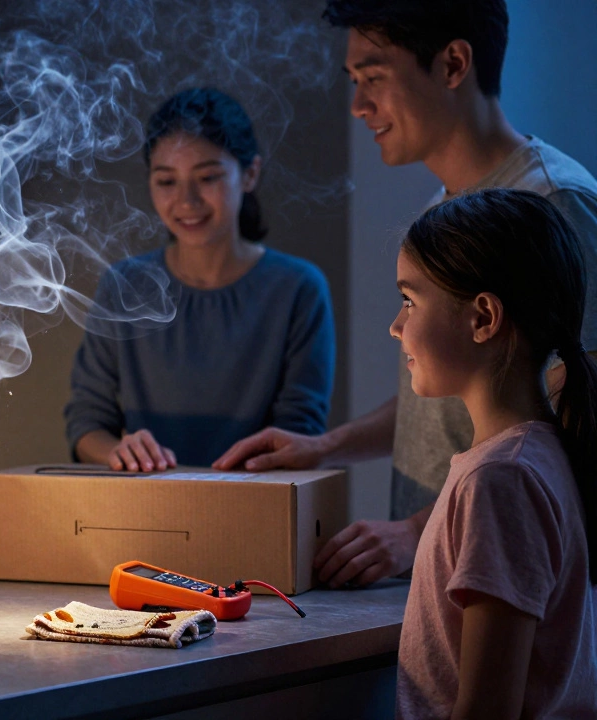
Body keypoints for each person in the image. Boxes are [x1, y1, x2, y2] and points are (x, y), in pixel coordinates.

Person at [214, 0, 597, 588]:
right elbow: (449, 389)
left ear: (452, 64)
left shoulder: (552, 205)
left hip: (498, 572)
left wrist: (420, 529)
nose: (359, 105)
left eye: (373, 77)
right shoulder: (448, 213)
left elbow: (579, 412)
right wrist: (326, 446)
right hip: (449, 565)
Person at [388, 188, 596, 718]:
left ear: (483, 317)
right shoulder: (534, 459)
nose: (395, 326)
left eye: (410, 301)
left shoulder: (502, 480)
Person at [65, 87, 335, 470]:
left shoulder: (297, 289)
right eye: (166, 181)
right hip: (141, 509)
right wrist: (119, 452)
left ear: (250, 174)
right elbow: (87, 422)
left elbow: (298, 432)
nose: (187, 201)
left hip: (254, 506)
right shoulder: (123, 285)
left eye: (207, 177)